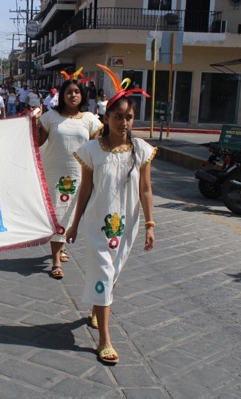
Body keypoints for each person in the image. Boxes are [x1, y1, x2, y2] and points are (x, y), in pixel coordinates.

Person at [65, 83, 155, 365]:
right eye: (118, 117)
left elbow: (146, 189)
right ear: (106, 118)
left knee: (112, 275)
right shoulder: (91, 150)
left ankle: (97, 309)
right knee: (104, 274)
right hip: (96, 224)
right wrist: (74, 224)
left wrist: (151, 224)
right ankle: (104, 338)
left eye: (128, 117)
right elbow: (85, 190)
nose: (124, 123)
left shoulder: (141, 150)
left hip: (127, 224)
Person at [37, 74, 103, 280]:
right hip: (55, 174)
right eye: (68, 92)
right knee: (58, 212)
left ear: (82, 96)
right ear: (62, 96)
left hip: (80, 175)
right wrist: (30, 123)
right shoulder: (50, 117)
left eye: (76, 92)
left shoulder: (90, 119)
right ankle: (56, 260)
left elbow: (99, 146)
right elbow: (37, 141)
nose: (73, 95)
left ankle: (61, 246)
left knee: (71, 214)